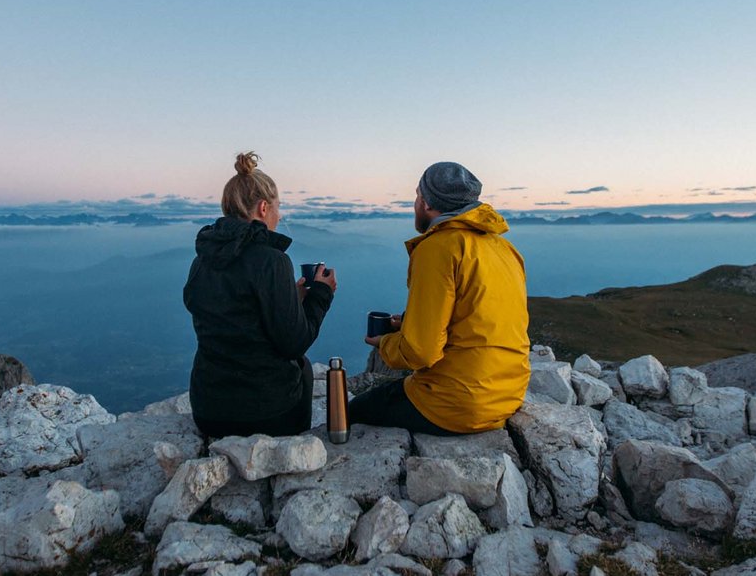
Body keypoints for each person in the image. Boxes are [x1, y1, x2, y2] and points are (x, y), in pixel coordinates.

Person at [352, 161, 530, 435]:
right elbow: (477, 321)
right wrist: (410, 325)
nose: (415, 203)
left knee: (351, 412)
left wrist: (385, 343)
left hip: (458, 404)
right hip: (508, 396)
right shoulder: (506, 250)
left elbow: (421, 352)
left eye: (417, 195)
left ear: (426, 203)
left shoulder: (437, 249)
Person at [183, 151, 337, 438]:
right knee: (301, 366)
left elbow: (235, 314)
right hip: (267, 417)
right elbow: (294, 343)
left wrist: (289, 299)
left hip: (207, 412)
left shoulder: (201, 260)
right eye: (278, 208)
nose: (280, 216)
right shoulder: (272, 261)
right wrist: (320, 295)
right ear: (264, 208)